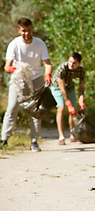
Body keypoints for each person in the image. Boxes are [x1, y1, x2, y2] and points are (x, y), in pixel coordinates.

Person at [1, 18, 52, 152]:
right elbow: (7, 66)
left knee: (36, 111)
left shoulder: (40, 44)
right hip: (19, 79)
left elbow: (47, 63)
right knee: (12, 108)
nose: (27, 33)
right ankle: (4, 139)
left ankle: (34, 141)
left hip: (36, 78)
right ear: (19, 30)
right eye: (24, 31)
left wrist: (48, 75)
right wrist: (11, 69)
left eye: (29, 30)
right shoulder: (14, 44)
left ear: (32, 29)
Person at [50, 53, 86, 145]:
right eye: (70, 61)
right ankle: (61, 137)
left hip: (70, 86)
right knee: (61, 108)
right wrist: (67, 102)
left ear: (79, 63)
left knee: (73, 111)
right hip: (57, 87)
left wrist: (81, 97)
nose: (71, 64)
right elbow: (62, 88)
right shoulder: (63, 68)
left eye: (74, 63)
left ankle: (72, 135)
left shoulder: (81, 70)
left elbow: (81, 86)